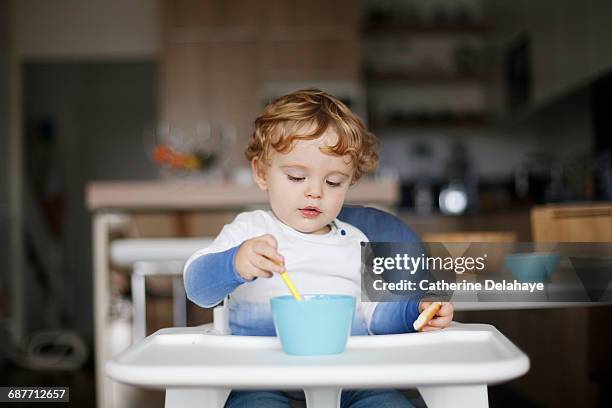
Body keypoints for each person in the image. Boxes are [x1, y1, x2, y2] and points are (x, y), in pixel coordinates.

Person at [184, 89, 454, 407]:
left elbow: (376, 316)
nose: (315, 192)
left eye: (334, 182)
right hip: (260, 377)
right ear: (261, 173)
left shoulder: (355, 241)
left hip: (352, 377)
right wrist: (235, 263)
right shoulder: (250, 229)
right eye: (297, 177)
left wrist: (417, 310)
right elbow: (197, 288)